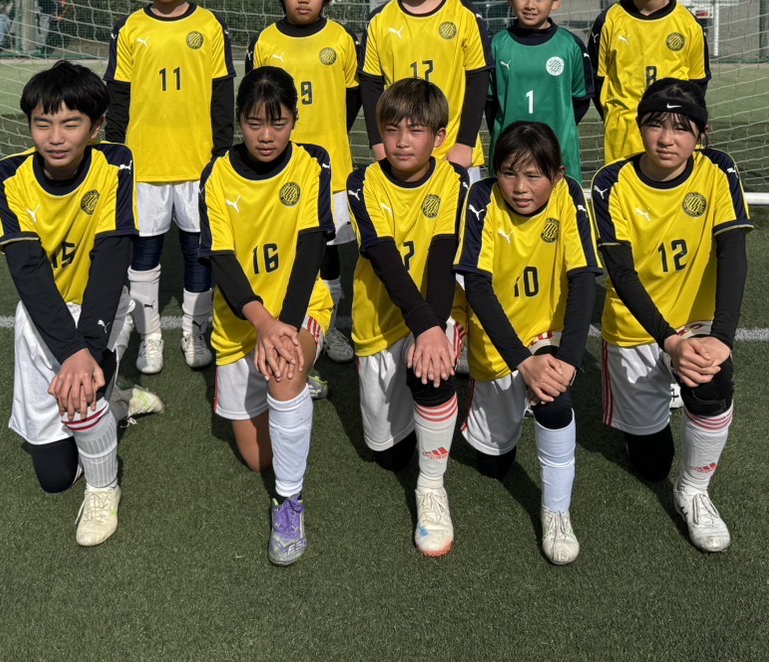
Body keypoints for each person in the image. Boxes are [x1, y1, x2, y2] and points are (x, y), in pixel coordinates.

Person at [0, 61, 163, 547]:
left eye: (71, 123)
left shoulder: (116, 163)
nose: (55, 137)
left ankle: (105, 488)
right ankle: (116, 400)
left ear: (96, 126)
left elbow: (113, 258)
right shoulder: (7, 178)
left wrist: (88, 348)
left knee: (83, 396)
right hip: (46, 314)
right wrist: (72, 352)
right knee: (55, 478)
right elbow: (28, 273)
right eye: (42, 123)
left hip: (100, 307)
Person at [590, 79, 751, 553]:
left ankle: (694, 492)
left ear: (701, 134)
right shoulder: (610, 183)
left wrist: (721, 338)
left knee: (713, 377)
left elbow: (733, 253)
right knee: (652, 464)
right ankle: (654, 412)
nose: (666, 138)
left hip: (696, 323)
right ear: (639, 126)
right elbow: (621, 274)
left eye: (681, 127)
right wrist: (670, 341)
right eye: (655, 124)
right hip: (637, 331)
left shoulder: (718, 170)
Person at [199, 67, 335, 565]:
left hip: (299, 310)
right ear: (239, 120)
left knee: (284, 370)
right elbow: (220, 259)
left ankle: (289, 502)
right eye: (254, 123)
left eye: (278, 123)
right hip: (242, 326)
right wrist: (262, 324)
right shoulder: (216, 174)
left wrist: (284, 330)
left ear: (295, 120)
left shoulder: (312, 163)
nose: (266, 135)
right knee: (260, 459)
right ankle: (294, 391)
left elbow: (311, 249)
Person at [457, 122, 599, 564]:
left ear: (557, 175)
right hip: (499, 342)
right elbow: (477, 287)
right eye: (509, 173)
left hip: (546, 334)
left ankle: (556, 512)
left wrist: (569, 359)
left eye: (534, 176)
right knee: (493, 466)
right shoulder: (481, 198)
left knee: (555, 398)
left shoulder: (569, 195)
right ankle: (503, 411)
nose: (520, 188)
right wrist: (521, 361)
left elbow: (584, 278)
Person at [105, 0, 234, 373]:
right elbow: (118, 97)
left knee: (199, 251)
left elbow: (222, 96)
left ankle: (195, 331)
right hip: (145, 165)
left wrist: (221, 154)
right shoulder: (129, 29)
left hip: (197, 164)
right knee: (144, 254)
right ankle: (151, 336)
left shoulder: (210, 26)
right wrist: (114, 156)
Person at [347, 78, 469, 557]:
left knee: (431, 371)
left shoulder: (454, 181)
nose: (401, 141)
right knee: (387, 455)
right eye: (392, 129)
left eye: (415, 130)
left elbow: (442, 257)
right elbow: (383, 259)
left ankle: (431, 488)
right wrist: (425, 326)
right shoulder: (362, 183)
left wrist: (433, 330)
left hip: (437, 311)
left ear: (439, 137)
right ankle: (429, 411)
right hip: (380, 321)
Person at [246, 0, 360, 367]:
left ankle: (327, 328)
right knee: (286, 248)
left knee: (327, 250)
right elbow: (254, 102)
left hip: (331, 169)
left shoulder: (341, 39)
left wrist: (328, 136)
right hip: (279, 169)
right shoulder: (265, 41)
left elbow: (351, 99)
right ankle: (284, 323)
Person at [360, 0, 492, 180]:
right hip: (400, 152)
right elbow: (371, 86)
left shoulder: (465, 16)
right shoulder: (380, 21)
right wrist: (378, 143)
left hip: (454, 153)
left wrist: (465, 144)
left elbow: (478, 81)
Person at [588, 0, 709, 165]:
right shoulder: (609, 21)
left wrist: (680, 118)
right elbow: (597, 80)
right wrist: (616, 116)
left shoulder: (688, 24)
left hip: (674, 131)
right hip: (624, 133)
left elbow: (697, 83)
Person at [487, 0, 594, 184]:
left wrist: (559, 128)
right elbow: (490, 102)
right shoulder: (497, 45)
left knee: (562, 204)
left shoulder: (570, 46)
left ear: (556, 2)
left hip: (559, 151)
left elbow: (580, 100)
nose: (530, 5)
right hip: (509, 153)